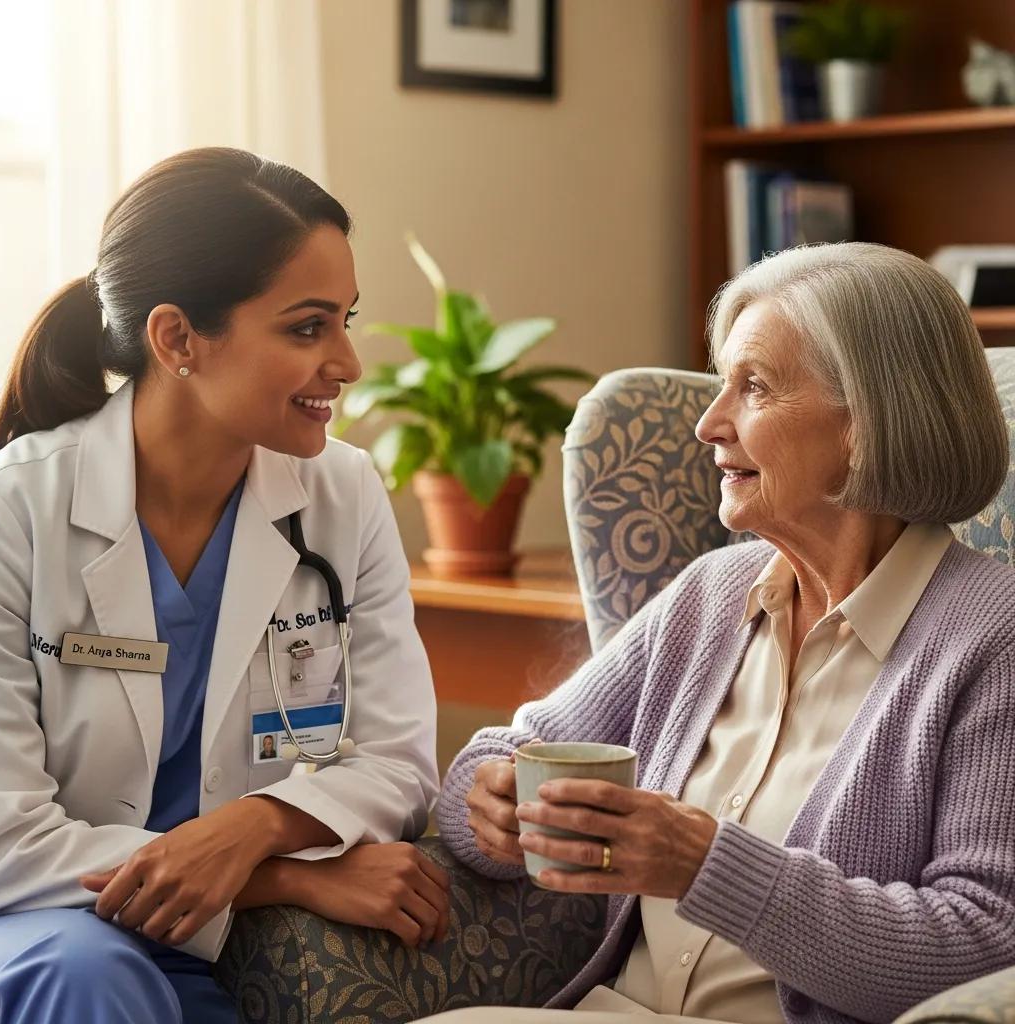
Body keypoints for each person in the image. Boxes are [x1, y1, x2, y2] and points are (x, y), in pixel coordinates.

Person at [427, 243, 1015, 1024]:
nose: (709, 424)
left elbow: (983, 944)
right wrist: (490, 798)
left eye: (755, 387)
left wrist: (706, 864)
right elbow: (518, 747)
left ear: (866, 420)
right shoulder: (710, 596)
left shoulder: (995, 638)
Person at [0, 147, 449, 1024]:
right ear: (176, 340)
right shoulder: (15, 511)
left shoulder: (343, 494)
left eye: (347, 321)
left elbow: (399, 761)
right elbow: (3, 839)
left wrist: (258, 827)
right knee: (92, 979)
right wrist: (272, 876)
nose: (349, 362)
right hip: (40, 927)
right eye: (308, 329)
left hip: (209, 943)